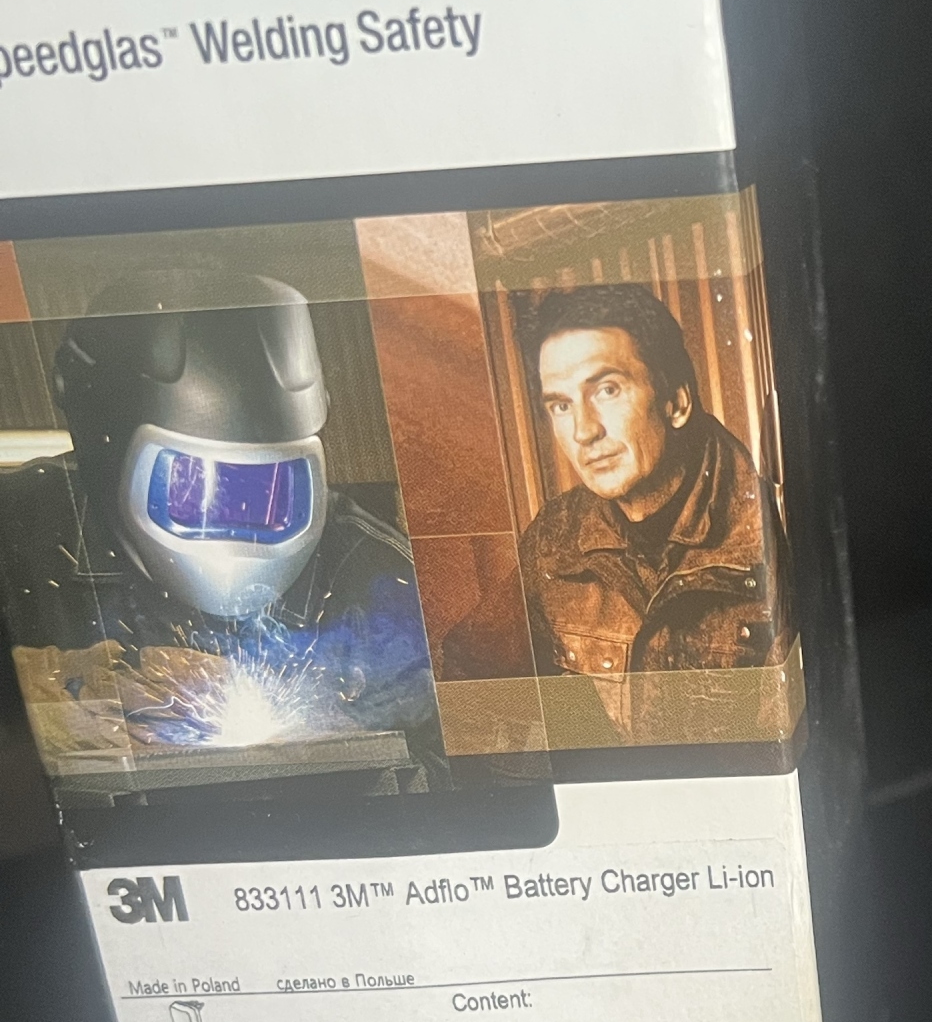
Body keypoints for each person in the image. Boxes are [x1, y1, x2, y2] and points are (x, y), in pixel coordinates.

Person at [0, 270, 436, 754]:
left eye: (265, 488)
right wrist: (30, 722)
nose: (231, 509)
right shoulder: (16, 536)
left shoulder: (372, 573)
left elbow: (460, 764)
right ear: (108, 448)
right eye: (193, 484)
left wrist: (336, 740)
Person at [441, 283, 790, 685]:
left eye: (607, 390)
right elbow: (470, 677)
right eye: (561, 405)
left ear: (676, 403)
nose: (583, 431)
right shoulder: (556, 537)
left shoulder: (773, 527)